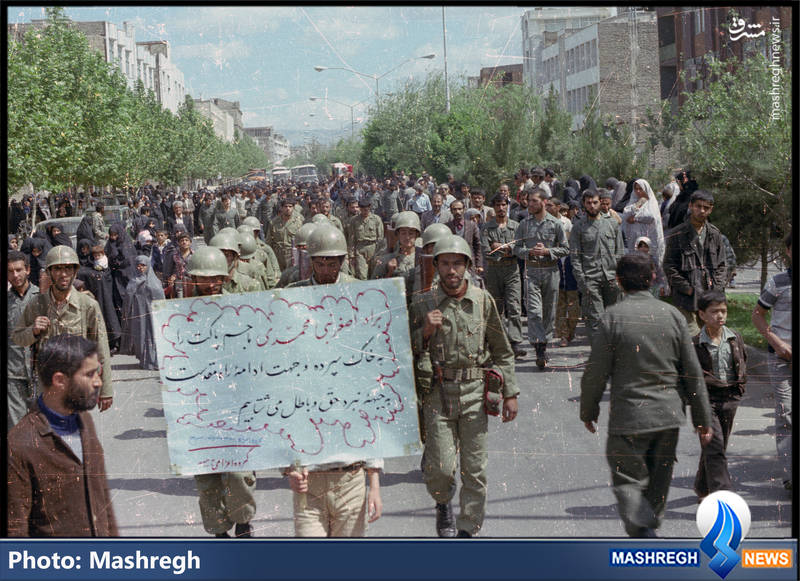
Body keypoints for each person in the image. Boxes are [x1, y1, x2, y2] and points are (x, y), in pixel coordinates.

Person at [580, 253, 712, 537]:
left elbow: (595, 373)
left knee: (628, 480)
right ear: (653, 278)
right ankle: (649, 534)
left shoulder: (612, 317)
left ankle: (643, 534)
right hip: (668, 417)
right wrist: (703, 419)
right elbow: (692, 371)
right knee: (658, 483)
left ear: (617, 282)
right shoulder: (674, 316)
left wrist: (588, 411)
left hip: (629, 418)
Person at [409, 234, 518, 537]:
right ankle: (443, 503)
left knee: (475, 468)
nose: (452, 270)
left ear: (468, 265)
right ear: (437, 266)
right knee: (442, 468)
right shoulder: (422, 301)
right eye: (445, 263)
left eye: (458, 263)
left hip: (474, 391)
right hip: (438, 393)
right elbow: (405, 351)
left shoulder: (483, 300)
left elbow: (502, 350)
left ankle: (468, 529)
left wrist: (510, 393)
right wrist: (425, 332)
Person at [284, 225, 383, 537]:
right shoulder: (293, 298)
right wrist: (288, 465)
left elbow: (373, 392)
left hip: (350, 470)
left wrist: (374, 481)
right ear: (309, 261)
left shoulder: (361, 295)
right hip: (310, 471)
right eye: (319, 263)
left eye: (333, 263)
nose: (326, 270)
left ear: (343, 261)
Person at [7, 334, 118, 536]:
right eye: (90, 374)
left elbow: (103, 501)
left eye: (99, 372)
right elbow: (14, 533)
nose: (98, 382)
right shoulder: (19, 445)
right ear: (59, 380)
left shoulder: (84, 420)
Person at [182, 246, 258, 538]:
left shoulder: (238, 309)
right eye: (203, 278)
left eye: (216, 278)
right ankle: (218, 532)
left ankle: (243, 523)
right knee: (207, 477)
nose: (210, 284)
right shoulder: (181, 314)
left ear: (225, 278)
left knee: (239, 473)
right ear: (194, 280)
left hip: (236, 401)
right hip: (200, 404)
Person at [12, 246, 114, 412]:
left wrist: (106, 390)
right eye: (58, 269)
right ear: (50, 272)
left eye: (68, 268)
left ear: (75, 271)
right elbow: (17, 337)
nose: (63, 274)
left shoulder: (87, 305)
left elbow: (101, 348)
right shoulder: (37, 304)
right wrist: (33, 331)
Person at [692, 290, 747, 501]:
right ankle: (722, 496)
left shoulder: (735, 338)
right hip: (707, 401)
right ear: (702, 315)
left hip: (730, 398)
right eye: (715, 312)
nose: (720, 316)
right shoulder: (695, 344)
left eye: (723, 311)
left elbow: (742, 362)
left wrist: (739, 388)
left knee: (717, 446)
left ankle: (702, 486)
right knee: (714, 446)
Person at [752, 231, 792, 491]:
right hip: (781, 357)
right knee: (786, 414)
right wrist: (777, 343)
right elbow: (757, 315)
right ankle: (790, 475)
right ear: (789, 251)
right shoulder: (777, 282)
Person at [513, 188, 569, 369]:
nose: (530, 204)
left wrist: (548, 251)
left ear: (544, 202)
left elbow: (566, 249)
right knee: (535, 311)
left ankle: (542, 343)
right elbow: (516, 249)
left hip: (551, 271)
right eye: (528, 201)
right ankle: (539, 348)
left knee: (548, 312)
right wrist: (529, 252)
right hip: (532, 272)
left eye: (534, 201)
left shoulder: (555, 224)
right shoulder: (524, 224)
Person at [663, 190, 727, 336]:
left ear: (711, 210)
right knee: (691, 341)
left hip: (710, 301)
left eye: (706, 208)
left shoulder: (715, 234)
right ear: (691, 206)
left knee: (712, 339)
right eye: (698, 206)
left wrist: (716, 289)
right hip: (687, 300)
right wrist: (687, 288)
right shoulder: (678, 234)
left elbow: (722, 265)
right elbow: (669, 266)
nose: (701, 211)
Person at [570, 189, 623, 339]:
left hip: (612, 278)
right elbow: (575, 257)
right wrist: (583, 281)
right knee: (595, 320)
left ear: (601, 202)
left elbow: (619, 253)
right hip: (590, 279)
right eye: (588, 203)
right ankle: (600, 355)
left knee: (614, 319)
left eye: (595, 202)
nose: (592, 206)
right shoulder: (579, 227)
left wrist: (620, 277)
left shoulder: (612, 224)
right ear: (584, 205)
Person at [480, 193, 526, 358]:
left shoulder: (516, 226)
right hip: (493, 270)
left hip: (512, 270)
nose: (501, 208)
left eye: (503, 205)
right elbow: (487, 251)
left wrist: (500, 246)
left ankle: (514, 342)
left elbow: (520, 249)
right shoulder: (486, 228)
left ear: (508, 206)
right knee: (495, 307)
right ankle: (498, 343)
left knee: (514, 306)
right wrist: (507, 249)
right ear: (494, 207)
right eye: (498, 205)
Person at [8, 251, 40, 428]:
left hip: (40, 371)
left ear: (27, 270)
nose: (15, 275)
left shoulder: (42, 296)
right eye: (10, 271)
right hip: (14, 372)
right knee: (17, 427)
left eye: (19, 270)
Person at [120, 256, 165, 371]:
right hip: (138, 314)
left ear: (148, 266)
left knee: (152, 335)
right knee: (140, 336)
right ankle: (144, 360)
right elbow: (128, 298)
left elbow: (160, 298)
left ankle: (153, 361)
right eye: (138, 265)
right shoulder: (133, 280)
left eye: (143, 265)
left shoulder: (154, 281)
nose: (140, 268)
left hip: (151, 314)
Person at [76, 244, 122, 354]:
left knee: (110, 318)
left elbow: (106, 276)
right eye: (95, 255)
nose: (97, 257)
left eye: (99, 255)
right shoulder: (93, 265)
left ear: (103, 254)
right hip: (100, 296)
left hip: (108, 296)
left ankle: (114, 344)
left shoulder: (106, 263)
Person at [621, 179, 665, 266]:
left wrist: (636, 218)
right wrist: (638, 204)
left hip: (649, 237)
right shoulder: (633, 201)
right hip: (635, 238)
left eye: (640, 189)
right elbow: (626, 214)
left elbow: (651, 216)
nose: (638, 191)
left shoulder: (652, 202)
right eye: (636, 189)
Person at [345, 197, 385, 280]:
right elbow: (351, 239)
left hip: (373, 248)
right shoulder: (354, 220)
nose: (365, 211)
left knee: (374, 274)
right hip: (360, 249)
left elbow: (380, 238)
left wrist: (380, 254)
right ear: (360, 208)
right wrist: (351, 255)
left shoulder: (376, 219)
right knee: (362, 275)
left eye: (367, 209)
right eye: (363, 209)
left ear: (369, 208)